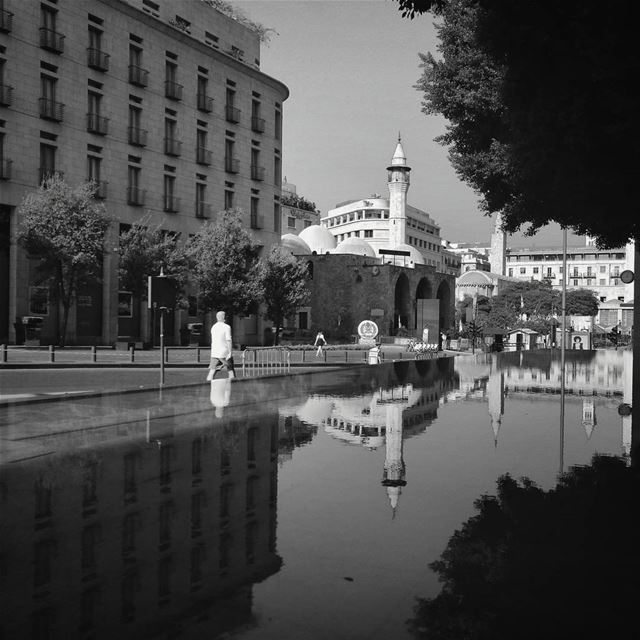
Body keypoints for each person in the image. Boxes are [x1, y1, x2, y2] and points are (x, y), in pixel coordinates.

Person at [207, 310, 236, 381]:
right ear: (224, 318)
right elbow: (228, 340)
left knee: (212, 371)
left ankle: (208, 385)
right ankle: (232, 385)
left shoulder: (213, 327)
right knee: (230, 370)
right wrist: (230, 352)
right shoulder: (227, 327)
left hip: (215, 352)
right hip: (224, 352)